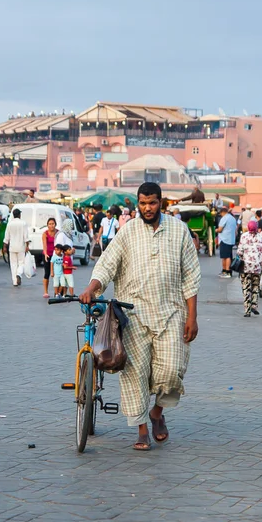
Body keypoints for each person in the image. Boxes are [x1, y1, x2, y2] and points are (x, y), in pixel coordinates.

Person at [79, 182, 201, 451]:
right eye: (143, 203)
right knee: (135, 374)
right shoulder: (128, 232)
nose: (148, 208)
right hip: (133, 316)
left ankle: (157, 413)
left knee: (172, 371)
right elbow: (107, 264)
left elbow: (191, 276)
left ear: (161, 202)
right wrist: (91, 288)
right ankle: (142, 429)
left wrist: (192, 316)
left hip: (171, 313)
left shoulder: (179, 231)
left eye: (153, 203)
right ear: (137, 203)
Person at [237, 220, 262, 317]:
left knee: (246, 287)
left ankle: (247, 310)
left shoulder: (244, 236)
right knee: (255, 286)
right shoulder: (260, 237)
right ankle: (254, 305)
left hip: (246, 267)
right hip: (257, 267)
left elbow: (239, 252)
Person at [3, 208, 30, 287]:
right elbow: (26, 237)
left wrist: (5, 247)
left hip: (12, 247)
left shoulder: (10, 224)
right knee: (21, 263)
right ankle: (19, 274)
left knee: (13, 264)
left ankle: (15, 281)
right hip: (21, 247)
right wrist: (27, 246)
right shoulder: (23, 223)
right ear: (19, 215)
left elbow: (6, 237)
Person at [217, 206, 237, 278]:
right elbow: (236, 230)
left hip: (225, 239)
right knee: (229, 255)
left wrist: (216, 230)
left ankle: (227, 271)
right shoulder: (233, 218)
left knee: (225, 256)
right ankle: (226, 270)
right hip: (231, 239)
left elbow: (220, 229)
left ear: (223, 212)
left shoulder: (224, 218)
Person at [41, 217, 58, 298]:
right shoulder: (45, 234)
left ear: (55, 224)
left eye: (53, 224)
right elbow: (44, 245)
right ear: (47, 225)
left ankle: (57, 292)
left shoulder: (58, 233)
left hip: (56, 255)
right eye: (50, 224)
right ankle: (45, 291)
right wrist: (45, 254)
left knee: (57, 273)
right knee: (47, 273)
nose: (51, 225)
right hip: (48, 255)